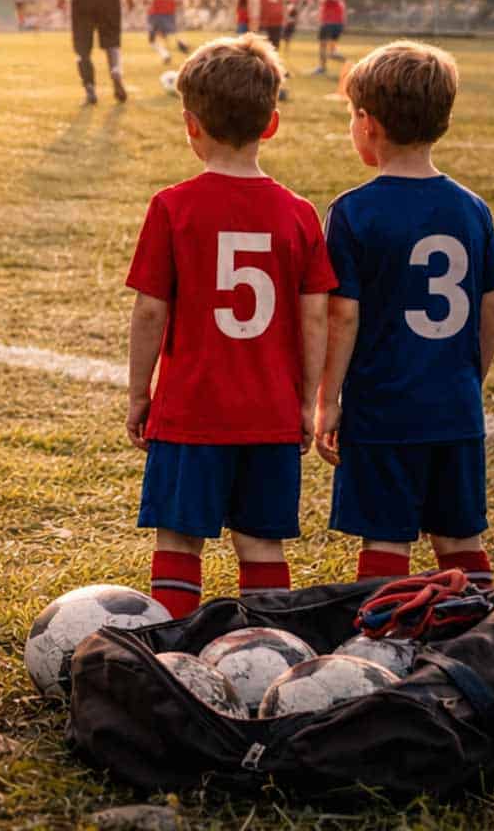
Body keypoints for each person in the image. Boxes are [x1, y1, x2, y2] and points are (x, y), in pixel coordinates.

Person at [123, 34, 335, 617]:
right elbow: (316, 316)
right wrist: (308, 401)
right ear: (272, 124)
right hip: (270, 413)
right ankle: (271, 647)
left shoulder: (173, 207)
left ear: (190, 126)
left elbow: (150, 310)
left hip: (191, 411)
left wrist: (140, 393)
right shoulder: (299, 214)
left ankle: (171, 648)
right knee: (261, 543)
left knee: (178, 539)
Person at [315, 41, 494, 587]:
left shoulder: (353, 211)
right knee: (460, 538)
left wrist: (328, 400)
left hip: (384, 409)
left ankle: (385, 635)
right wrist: (468, 380)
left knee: (386, 538)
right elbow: (491, 309)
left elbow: (343, 317)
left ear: (368, 124)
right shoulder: (472, 208)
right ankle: (484, 627)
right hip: (455, 406)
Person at [245, 0, 290, 100]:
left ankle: (259, 88)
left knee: (257, 56)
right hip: (277, 15)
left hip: (263, 16)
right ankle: (278, 88)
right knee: (273, 54)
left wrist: (254, 22)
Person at [312, 0, 349, 75]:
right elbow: (342, 4)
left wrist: (318, 15)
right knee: (332, 51)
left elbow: (322, 1)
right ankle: (348, 63)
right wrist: (344, 20)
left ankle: (322, 68)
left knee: (323, 45)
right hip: (338, 21)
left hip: (327, 20)